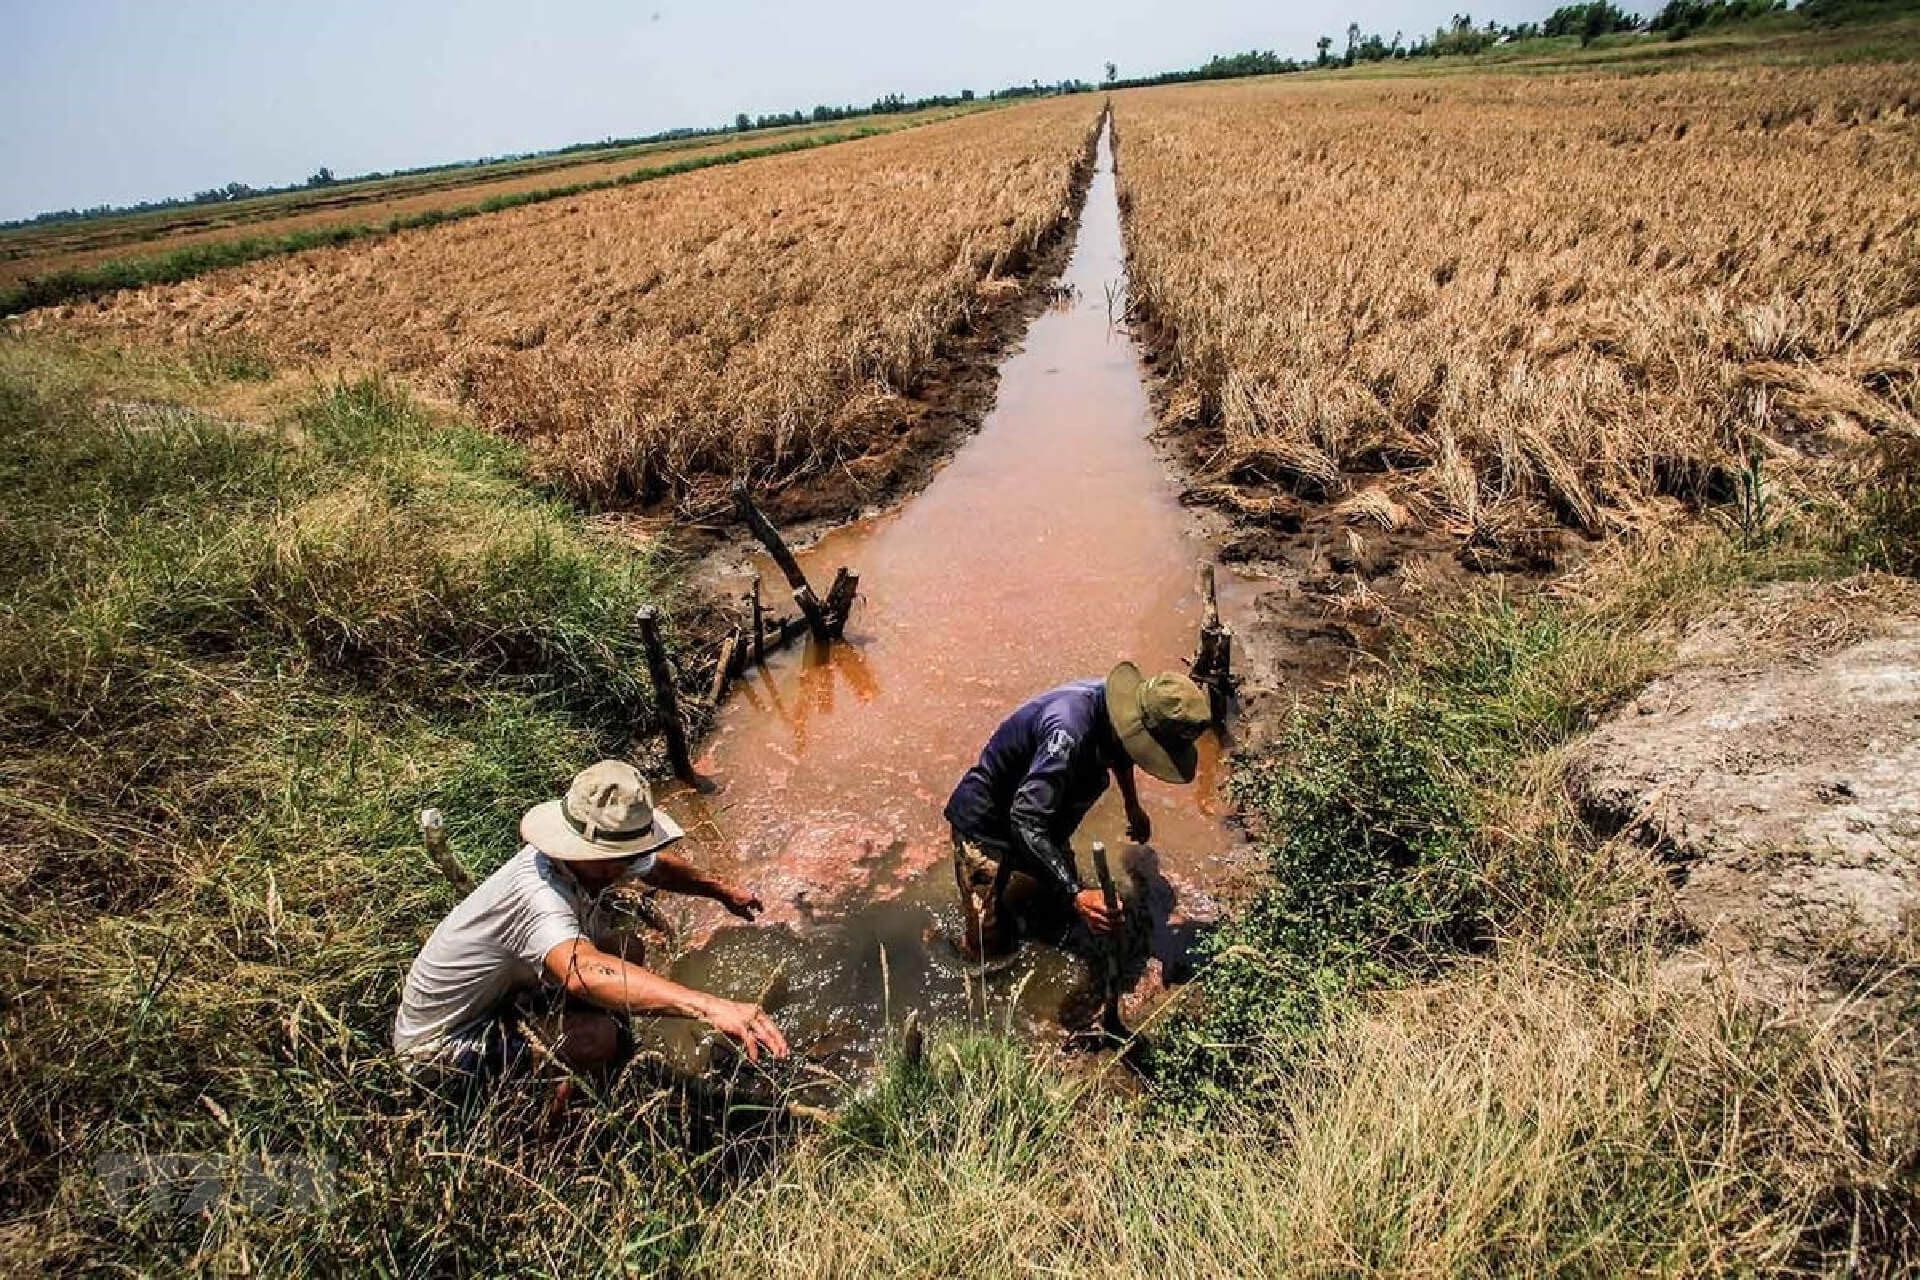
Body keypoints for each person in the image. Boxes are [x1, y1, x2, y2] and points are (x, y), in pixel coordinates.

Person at [393, 760, 788, 1083]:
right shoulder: (540, 895)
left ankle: (603, 1068)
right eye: (623, 858)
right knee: (596, 1038)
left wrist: (722, 892)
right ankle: (554, 1135)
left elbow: (654, 869)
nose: (632, 866)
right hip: (442, 1049)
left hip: (503, 998)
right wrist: (708, 1006)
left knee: (626, 950)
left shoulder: (586, 860)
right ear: (586, 852)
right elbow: (582, 972)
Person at [944, 662, 1212, 958]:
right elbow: (1026, 820)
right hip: (987, 825)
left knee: (1058, 909)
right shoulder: (1068, 733)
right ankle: (969, 958)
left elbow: (1121, 753)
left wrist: (1132, 806)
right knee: (987, 940)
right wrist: (1076, 893)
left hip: (1044, 818)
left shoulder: (1117, 714)